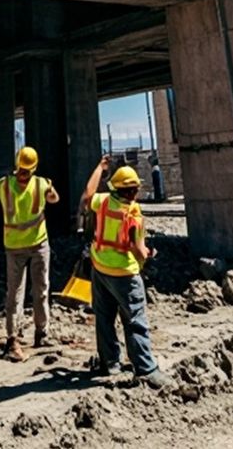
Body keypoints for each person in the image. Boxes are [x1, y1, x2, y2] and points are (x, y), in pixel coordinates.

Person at [80, 154, 168, 390]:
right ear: (133, 191)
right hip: (125, 275)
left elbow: (87, 196)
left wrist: (99, 167)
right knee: (135, 321)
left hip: (100, 270)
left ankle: (111, 363)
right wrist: (149, 254)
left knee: (105, 319)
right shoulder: (133, 214)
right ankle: (146, 369)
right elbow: (136, 248)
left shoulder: (105, 202)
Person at [0, 145, 59, 361]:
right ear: (34, 168)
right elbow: (55, 199)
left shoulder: (4, 185)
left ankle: (16, 338)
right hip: (35, 245)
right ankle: (38, 334)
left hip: (15, 246)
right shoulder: (41, 184)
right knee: (39, 289)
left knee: (16, 293)